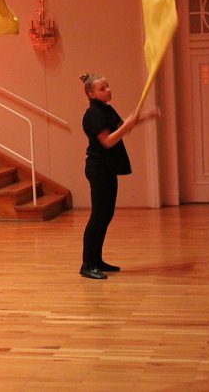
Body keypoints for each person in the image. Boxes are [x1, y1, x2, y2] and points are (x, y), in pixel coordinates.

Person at [79, 73, 159, 280]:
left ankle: (96, 260)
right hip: (98, 168)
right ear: (91, 94)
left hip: (107, 168)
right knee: (99, 216)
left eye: (108, 86)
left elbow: (124, 126)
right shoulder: (93, 114)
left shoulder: (105, 109)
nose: (108, 90)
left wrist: (145, 116)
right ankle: (87, 264)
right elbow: (108, 141)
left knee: (106, 215)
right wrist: (128, 123)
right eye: (102, 88)